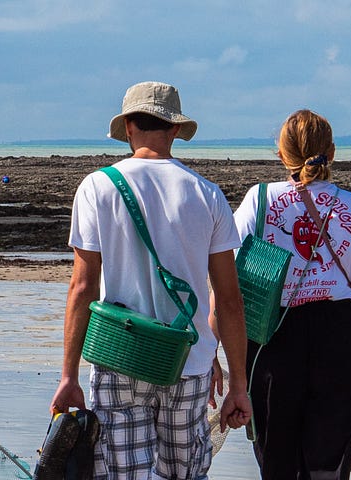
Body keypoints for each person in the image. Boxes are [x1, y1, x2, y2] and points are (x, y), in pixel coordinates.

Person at [51, 81, 253, 479]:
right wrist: (238, 385)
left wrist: (69, 375)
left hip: (118, 358)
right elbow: (228, 300)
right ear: (175, 129)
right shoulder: (207, 195)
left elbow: (82, 288)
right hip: (187, 362)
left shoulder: (97, 187)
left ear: (128, 127)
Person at [233, 110, 351, 479]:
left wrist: (229, 367)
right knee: (328, 469)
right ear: (332, 153)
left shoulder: (259, 200)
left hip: (273, 339)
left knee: (277, 466)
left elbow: (226, 291)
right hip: (340, 338)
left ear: (280, 155)